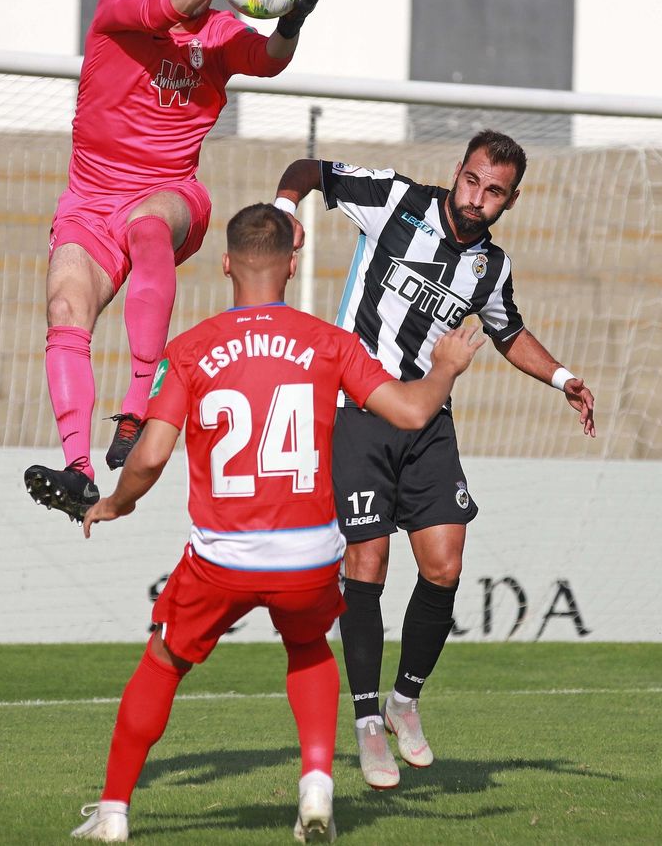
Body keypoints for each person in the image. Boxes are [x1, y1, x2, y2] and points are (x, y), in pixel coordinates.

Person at [69, 204, 485, 842]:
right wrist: (446, 368)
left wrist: (115, 503)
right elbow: (408, 411)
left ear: (227, 263)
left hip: (223, 556)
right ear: (292, 265)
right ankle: (317, 783)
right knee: (309, 649)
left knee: (162, 662)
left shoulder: (190, 349)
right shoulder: (330, 343)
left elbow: (150, 456)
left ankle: (115, 813)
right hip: (308, 555)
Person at [271, 131, 596, 789]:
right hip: (361, 409)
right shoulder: (394, 200)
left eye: (494, 191)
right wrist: (283, 210)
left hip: (429, 420)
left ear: (510, 199)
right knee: (367, 559)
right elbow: (307, 168)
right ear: (458, 172)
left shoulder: (491, 268)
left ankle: (403, 702)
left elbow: (507, 332)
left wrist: (563, 378)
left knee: (445, 564)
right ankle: (365, 724)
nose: (477, 198)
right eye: (472, 181)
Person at [26, 0, 324, 522]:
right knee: (65, 307)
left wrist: (293, 19)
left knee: (148, 222)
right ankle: (78, 471)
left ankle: (137, 408)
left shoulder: (219, 31)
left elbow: (267, 59)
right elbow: (154, 13)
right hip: (88, 202)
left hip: (171, 194)